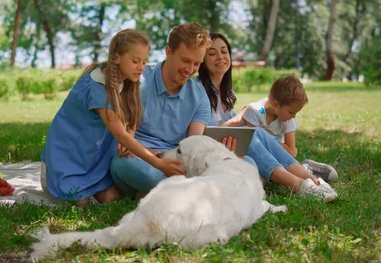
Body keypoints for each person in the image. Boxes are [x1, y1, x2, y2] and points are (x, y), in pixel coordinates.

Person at [40, 29, 183, 206]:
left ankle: (94, 183)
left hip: (93, 157)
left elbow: (133, 117)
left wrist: (130, 135)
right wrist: (157, 163)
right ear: (117, 57)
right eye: (135, 61)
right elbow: (120, 134)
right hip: (67, 157)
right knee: (82, 202)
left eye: (145, 62)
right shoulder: (99, 87)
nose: (141, 67)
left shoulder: (130, 80)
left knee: (112, 198)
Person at [198, 32, 338, 202]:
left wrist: (238, 123)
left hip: (230, 145)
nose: (220, 57)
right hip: (211, 148)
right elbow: (200, 135)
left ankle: (313, 180)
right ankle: (299, 185)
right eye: (212, 54)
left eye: (224, 51)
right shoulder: (199, 91)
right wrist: (237, 121)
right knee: (252, 139)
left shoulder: (226, 92)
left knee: (255, 137)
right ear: (202, 61)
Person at [110, 22, 224, 197]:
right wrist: (152, 155)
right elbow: (121, 135)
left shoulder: (199, 96)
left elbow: (194, 144)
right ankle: (193, 192)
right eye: (185, 60)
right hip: (139, 158)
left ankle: (162, 192)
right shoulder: (137, 80)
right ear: (168, 52)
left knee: (247, 162)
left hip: (175, 162)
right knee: (123, 164)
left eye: (197, 64)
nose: (190, 70)